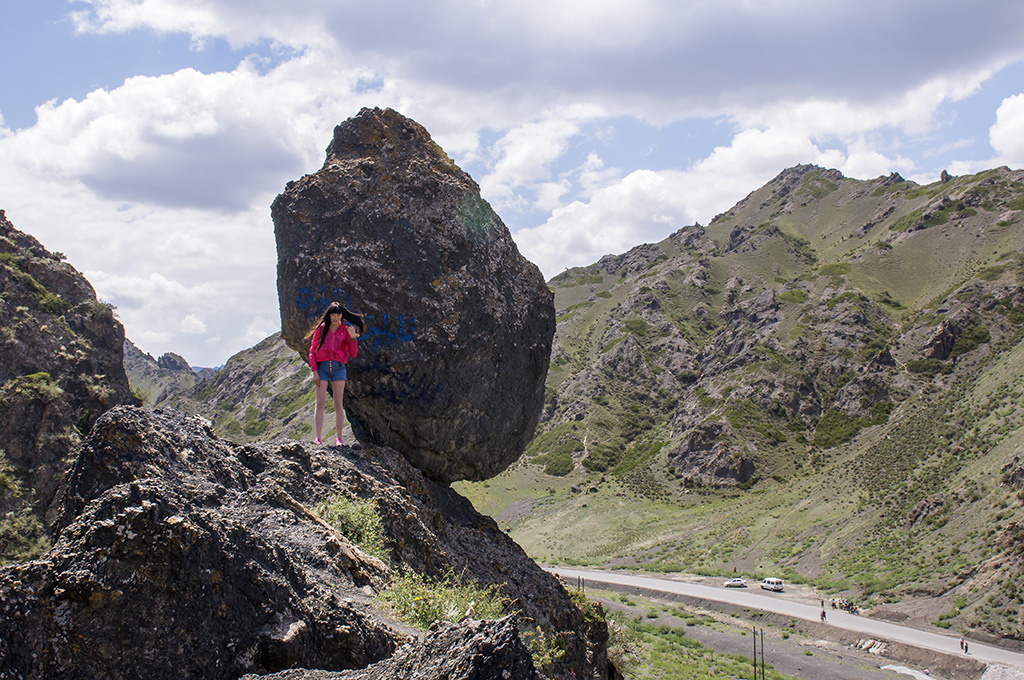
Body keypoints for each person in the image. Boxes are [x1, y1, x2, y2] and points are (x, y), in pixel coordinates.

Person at [305, 302, 366, 445]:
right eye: (333, 314)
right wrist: (315, 371)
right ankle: (318, 438)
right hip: (322, 367)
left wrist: (352, 337)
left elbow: (353, 353)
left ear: (341, 315)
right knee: (320, 403)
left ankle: (339, 439)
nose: (335, 317)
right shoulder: (322, 329)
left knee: (338, 403)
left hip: (339, 367)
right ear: (329, 315)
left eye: (338, 315)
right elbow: (312, 351)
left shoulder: (345, 330)